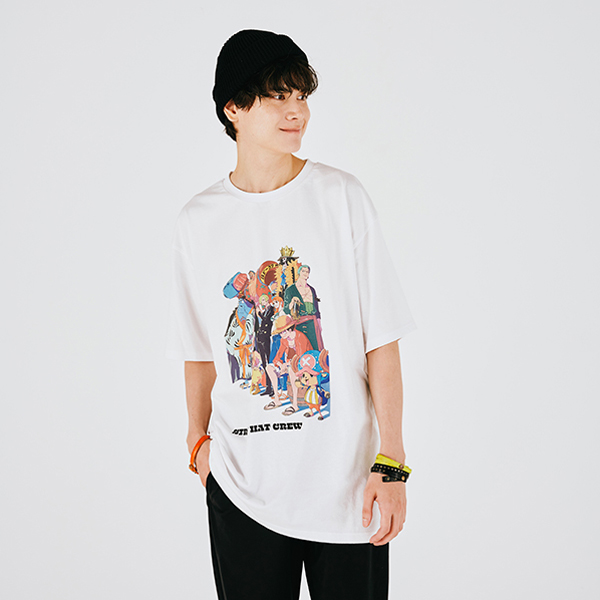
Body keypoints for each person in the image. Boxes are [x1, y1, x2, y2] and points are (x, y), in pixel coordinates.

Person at [166, 28, 417, 600]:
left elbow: (381, 339)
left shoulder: (340, 197)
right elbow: (198, 349)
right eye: (277, 96)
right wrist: (198, 445)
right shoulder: (197, 221)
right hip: (242, 487)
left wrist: (393, 462)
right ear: (233, 108)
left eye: (301, 95)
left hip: (347, 490)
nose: (296, 110)